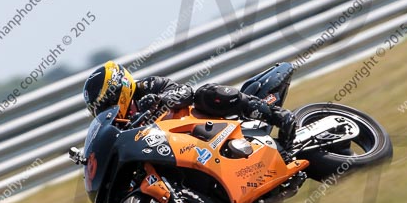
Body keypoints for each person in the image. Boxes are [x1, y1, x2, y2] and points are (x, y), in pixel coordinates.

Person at [82, 61, 296, 147]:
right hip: (182, 148)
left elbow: (184, 92)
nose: (108, 110)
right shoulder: (120, 126)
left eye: (107, 104)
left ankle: (277, 116)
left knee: (205, 94)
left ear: (118, 90)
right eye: (101, 110)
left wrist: (160, 100)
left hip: (202, 123)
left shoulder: (147, 87)